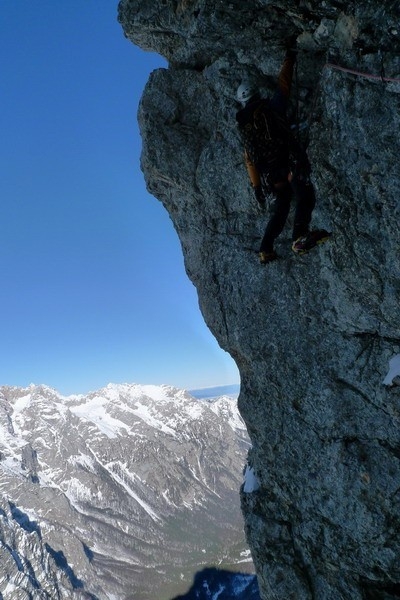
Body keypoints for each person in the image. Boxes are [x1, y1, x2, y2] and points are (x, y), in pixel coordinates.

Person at [236, 40, 329, 264]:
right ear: (257, 94)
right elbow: (284, 86)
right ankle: (298, 237)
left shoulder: (246, 128)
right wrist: (289, 59)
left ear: (242, 102)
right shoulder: (271, 108)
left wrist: (257, 187)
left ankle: (265, 248)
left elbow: (249, 159)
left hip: (271, 176)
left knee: (281, 207)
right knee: (305, 197)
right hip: (288, 163)